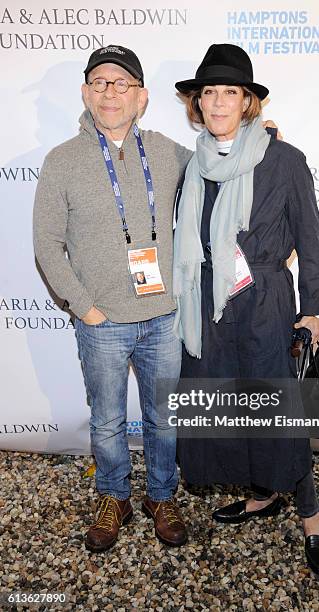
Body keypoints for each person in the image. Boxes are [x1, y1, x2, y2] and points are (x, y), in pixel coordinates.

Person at [173, 44, 319, 574]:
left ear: (248, 102)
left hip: (264, 305)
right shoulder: (193, 164)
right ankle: (262, 495)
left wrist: (312, 311)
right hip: (211, 313)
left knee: (278, 413)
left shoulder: (284, 159)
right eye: (208, 93)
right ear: (198, 103)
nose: (218, 102)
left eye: (230, 92)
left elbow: (310, 240)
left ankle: (310, 515)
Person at [33, 45, 193, 552]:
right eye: (100, 82)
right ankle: (113, 495)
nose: (110, 92)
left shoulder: (168, 151)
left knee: (164, 417)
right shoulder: (61, 160)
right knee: (105, 421)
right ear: (85, 92)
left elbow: (219, 168)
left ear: (141, 98)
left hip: (163, 317)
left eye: (122, 83)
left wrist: (262, 139)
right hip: (101, 322)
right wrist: (85, 308)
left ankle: (161, 495)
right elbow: (46, 245)